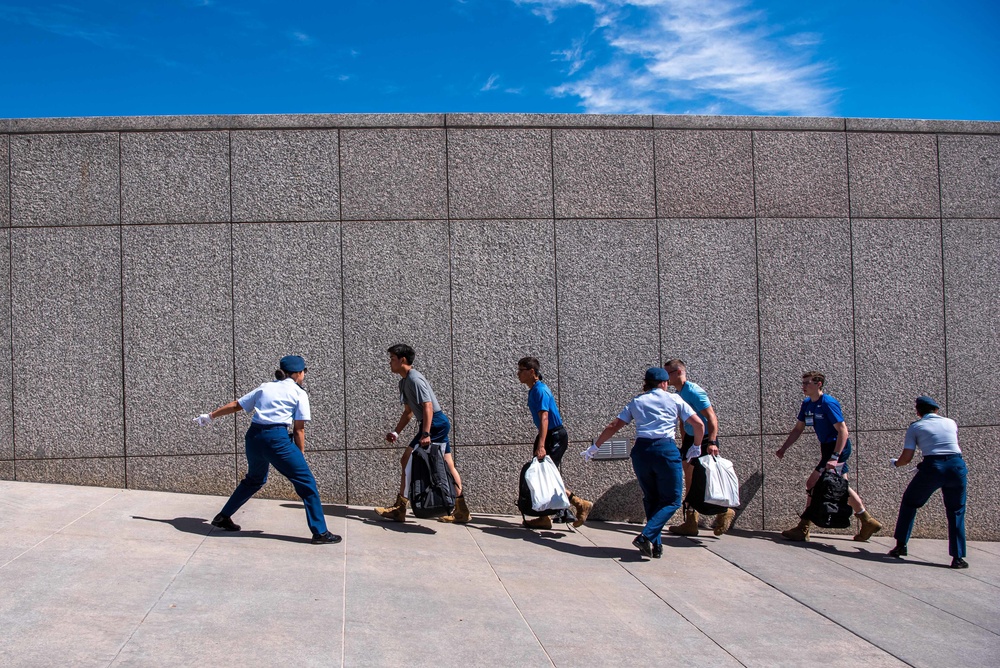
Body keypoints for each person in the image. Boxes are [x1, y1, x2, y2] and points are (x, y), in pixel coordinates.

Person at [194, 355, 341, 544]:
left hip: (254, 437)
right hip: (277, 439)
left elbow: (236, 405)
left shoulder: (265, 387)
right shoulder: (299, 393)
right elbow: (299, 429)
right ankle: (320, 532)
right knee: (307, 483)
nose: (304, 375)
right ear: (298, 373)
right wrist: (300, 455)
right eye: (304, 371)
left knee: (254, 480)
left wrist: (210, 416)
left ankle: (223, 516)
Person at [587, 367, 705, 559]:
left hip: (642, 452)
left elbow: (614, 425)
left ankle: (655, 545)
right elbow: (698, 424)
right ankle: (646, 537)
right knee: (673, 500)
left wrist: (595, 447)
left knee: (652, 498)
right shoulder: (674, 399)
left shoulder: (637, 401)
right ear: (665, 383)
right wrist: (697, 446)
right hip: (665, 449)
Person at [775, 370, 881, 542]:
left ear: (818, 384)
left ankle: (803, 527)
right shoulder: (807, 404)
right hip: (827, 448)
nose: (804, 386)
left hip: (837, 447)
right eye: (803, 383)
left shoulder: (828, 403)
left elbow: (843, 431)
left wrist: (835, 456)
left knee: (812, 483)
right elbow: (798, 429)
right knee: (840, 486)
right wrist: (783, 448)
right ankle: (867, 520)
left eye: (807, 383)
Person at [374, 344, 471, 523]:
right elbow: (409, 412)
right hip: (431, 424)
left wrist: (426, 433)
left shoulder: (414, 379)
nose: (390, 362)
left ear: (403, 360)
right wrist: (396, 431)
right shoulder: (403, 382)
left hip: (434, 424)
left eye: (392, 359)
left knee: (406, 459)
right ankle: (461, 510)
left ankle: (400, 508)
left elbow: (428, 406)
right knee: (448, 464)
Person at [888, 396, 968, 569]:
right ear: (936, 410)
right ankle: (958, 558)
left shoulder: (916, 426)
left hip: (933, 468)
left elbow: (907, 458)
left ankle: (901, 545)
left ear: (918, 412)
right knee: (956, 511)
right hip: (957, 466)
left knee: (910, 501)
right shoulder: (951, 422)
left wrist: (896, 463)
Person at [516, 357, 593, 530]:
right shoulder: (533, 390)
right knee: (540, 476)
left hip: (554, 435)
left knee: (547, 477)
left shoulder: (540, 390)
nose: (518, 374)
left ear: (532, 372)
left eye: (521, 370)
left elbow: (545, 417)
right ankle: (544, 517)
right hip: (548, 435)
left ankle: (580, 504)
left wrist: (542, 444)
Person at [663, 359, 735, 537]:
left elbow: (711, 417)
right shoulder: (678, 393)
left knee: (701, 478)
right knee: (689, 476)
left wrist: (712, 442)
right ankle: (691, 521)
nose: (666, 377)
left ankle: (723, 512)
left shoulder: (694, 391)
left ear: (679, 372)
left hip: (703, 438)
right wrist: (683, 439)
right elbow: (682, 420)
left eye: (668, 373)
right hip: (690, 439)